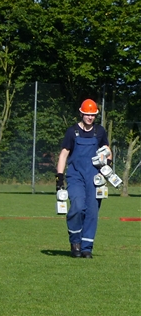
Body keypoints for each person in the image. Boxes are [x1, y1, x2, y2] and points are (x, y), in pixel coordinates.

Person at [56, 99, 111, 258]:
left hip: (95, 178)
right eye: (87, 114)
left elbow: (107, 151)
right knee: (78, 207)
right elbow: (64, 154)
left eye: (92, 115)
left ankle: (86, 248)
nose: (90, 117)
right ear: (81, 113)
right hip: (75, 176)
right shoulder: (72, 132)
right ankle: (75, 242)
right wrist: (59, 178)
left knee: (92, 212)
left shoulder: (99, 132)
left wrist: (107, 167)